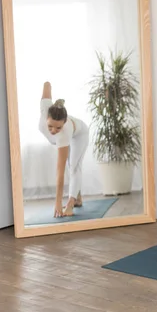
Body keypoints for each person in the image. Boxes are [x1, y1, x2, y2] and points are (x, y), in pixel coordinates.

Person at [38, 81, 89, 217]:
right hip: (68, 133)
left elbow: (59, 172)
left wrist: (58, 202)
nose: (53, 131)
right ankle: (78, 198)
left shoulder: (63, 134)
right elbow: (47, 84)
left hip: (79, 135)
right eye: (50, 126)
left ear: (64, 122)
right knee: (71, 164)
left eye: (58, 127)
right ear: (46, 118)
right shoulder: (45, 109)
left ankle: (71, 203)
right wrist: (47, 84)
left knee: (73, 166)